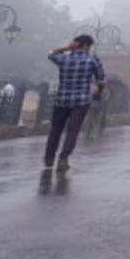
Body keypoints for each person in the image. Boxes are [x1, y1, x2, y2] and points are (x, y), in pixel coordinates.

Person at [44, 35, 106, 171]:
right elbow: (101, 79)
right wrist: (100, 93)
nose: (90, 49)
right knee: (73, 130)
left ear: (75, 44)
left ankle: (49, 158)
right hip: (81, 101)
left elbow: (50, 53)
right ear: (86, 46)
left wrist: (66, 48)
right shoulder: (92, 59)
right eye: (89, 46)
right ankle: (63, 158)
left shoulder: (64, 58)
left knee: (56, 129)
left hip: (61, 100)